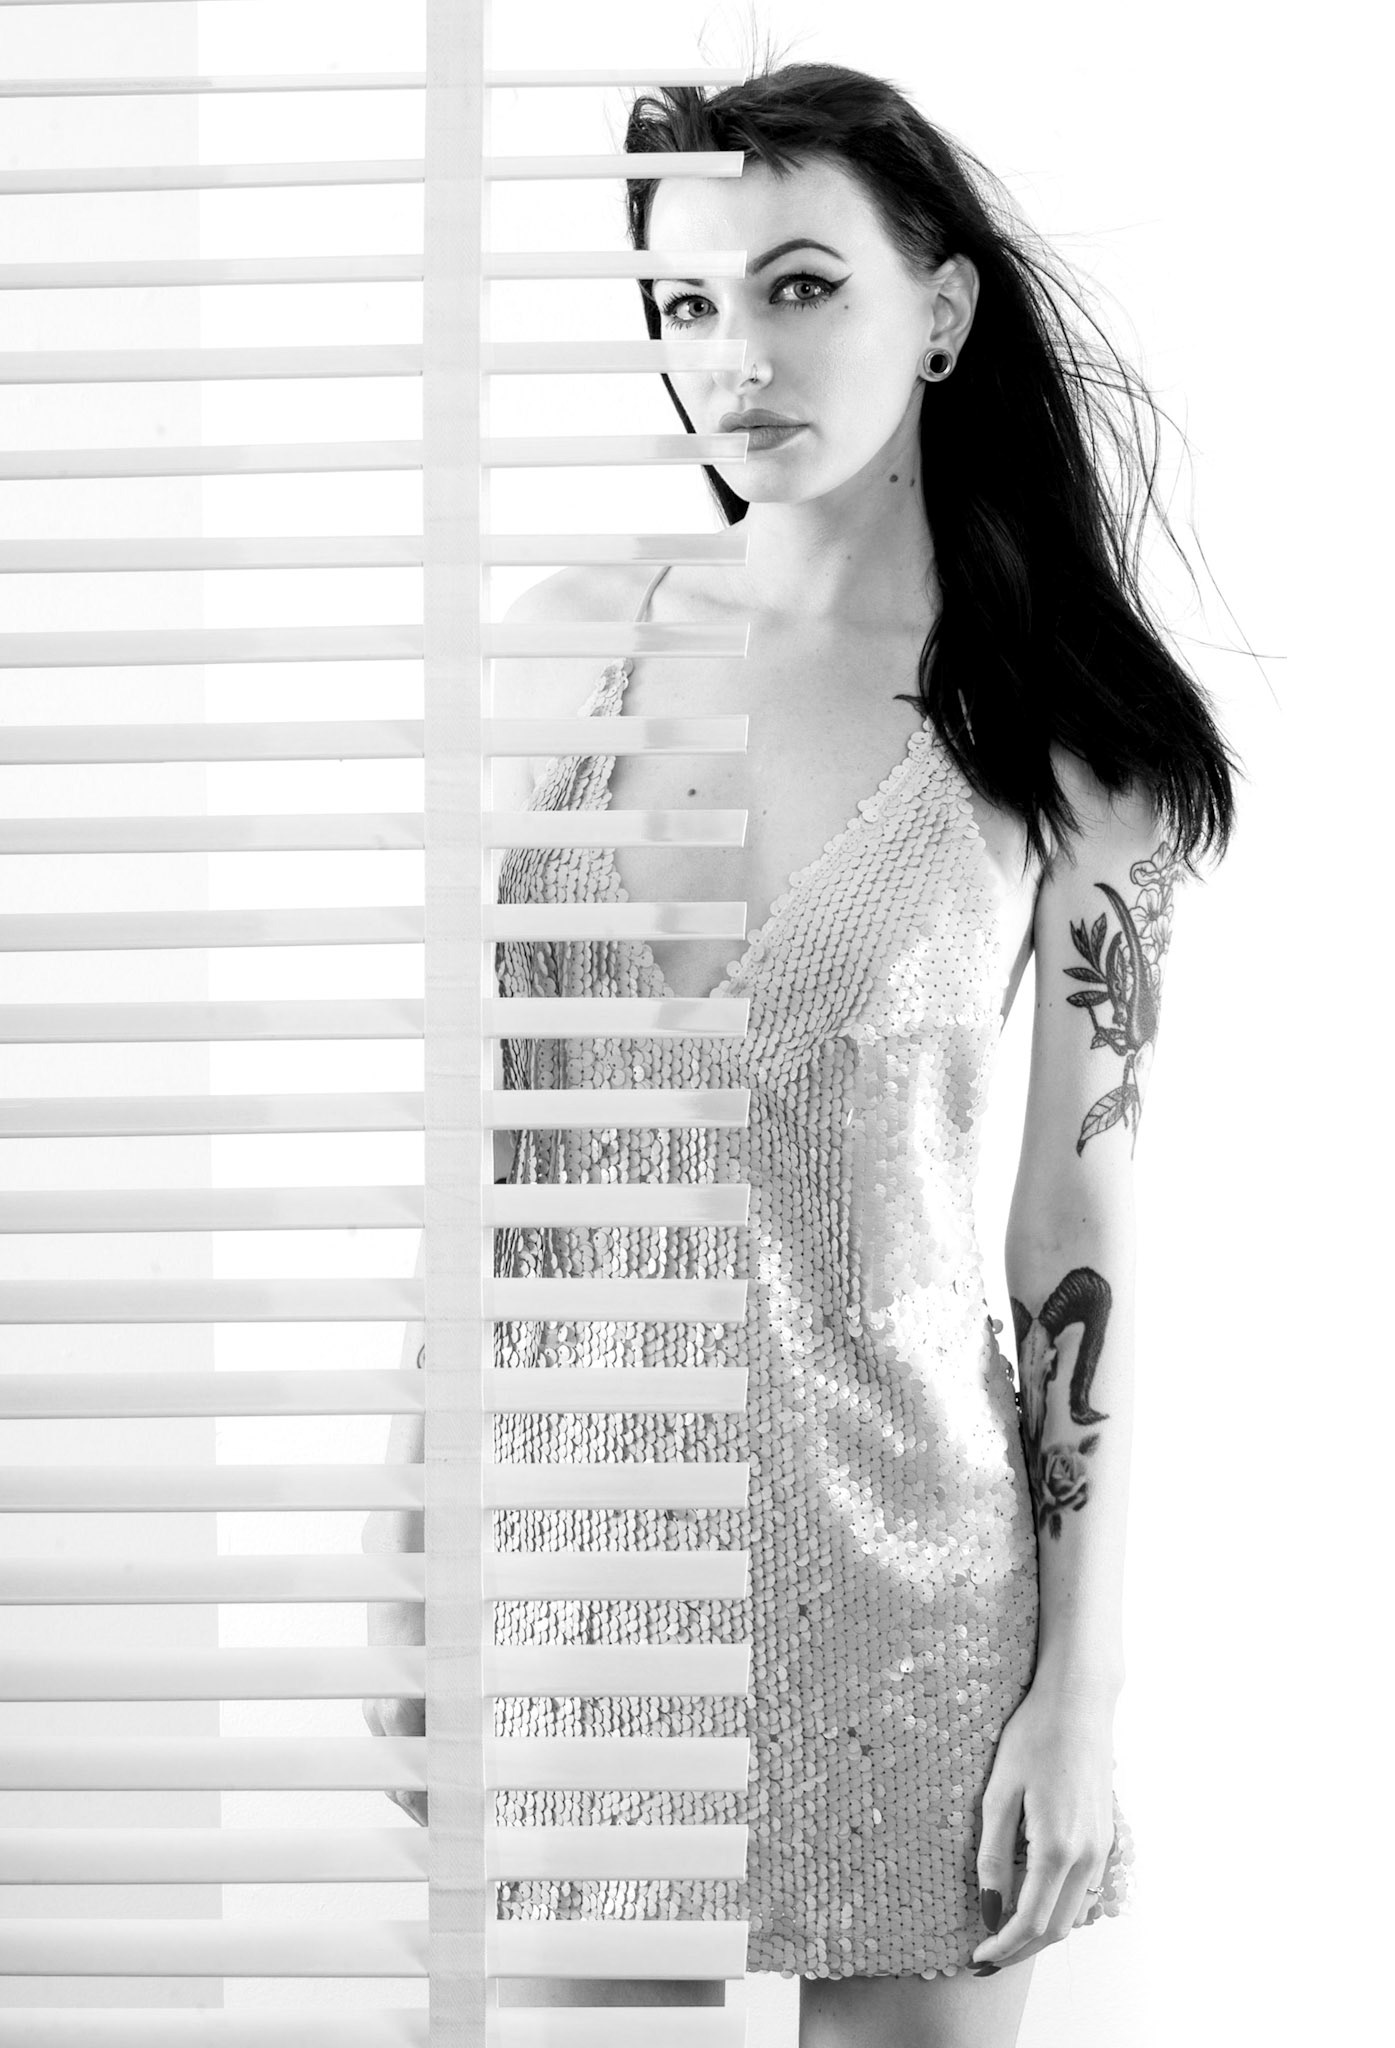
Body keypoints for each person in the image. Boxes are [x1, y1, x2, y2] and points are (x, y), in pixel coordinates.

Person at [364, 58, 1239, 2048]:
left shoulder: (1067, 736)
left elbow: (1074, 1241)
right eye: (685, 302)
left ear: (940, 311)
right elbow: (475, 1152)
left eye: (799, 286)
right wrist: (399, 1543)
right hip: (573, 1566)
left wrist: (1078, 1694)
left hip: (908, 1579)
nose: (734, 356)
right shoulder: (558, 645)